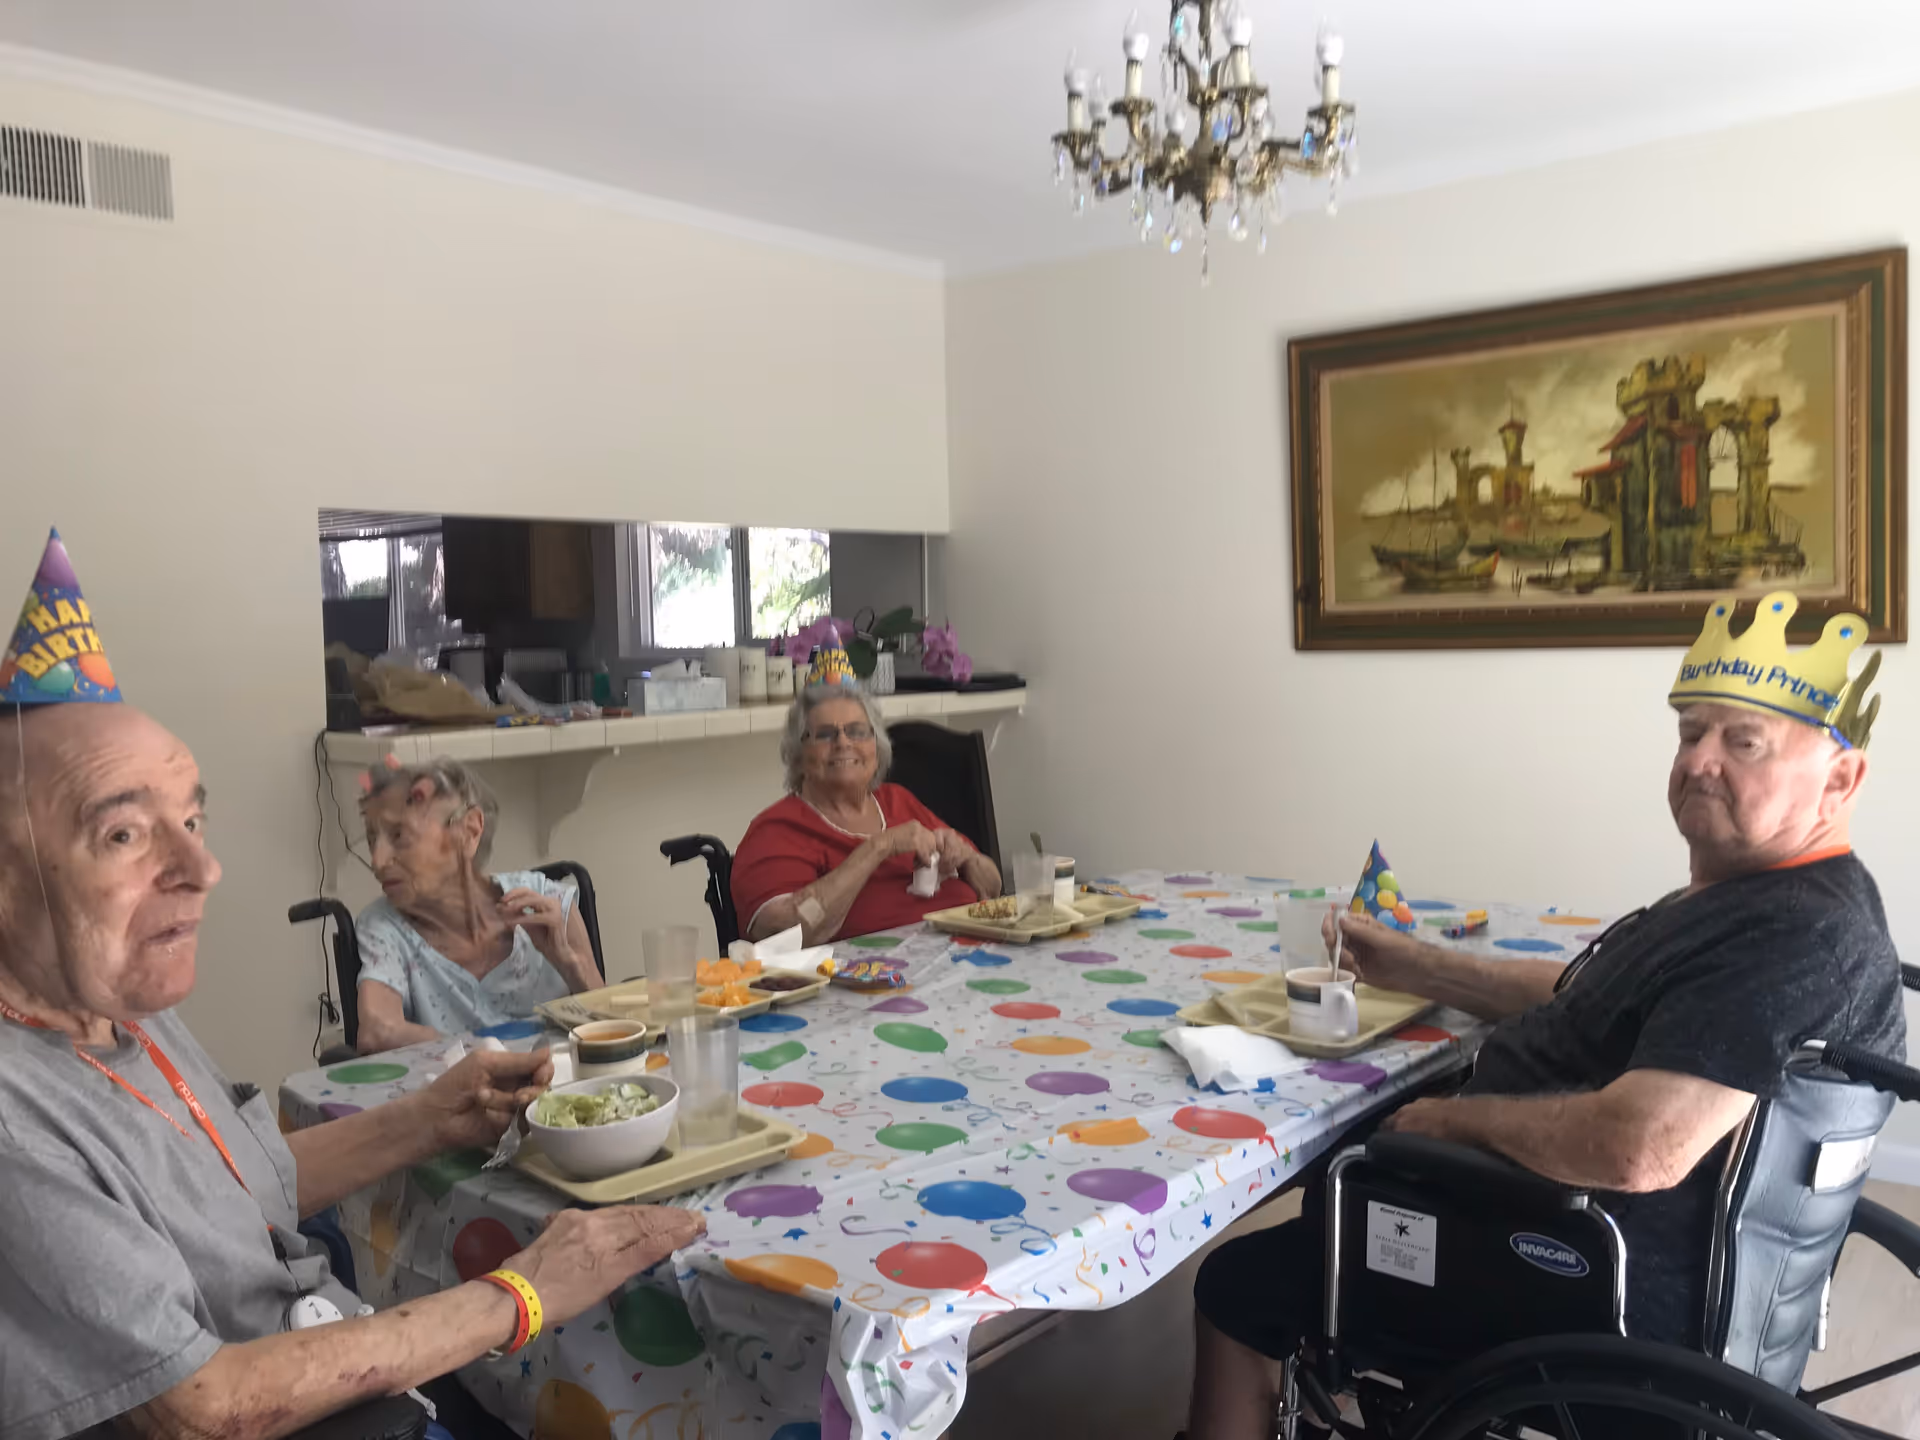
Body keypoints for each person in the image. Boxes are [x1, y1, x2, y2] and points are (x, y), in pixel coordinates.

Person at [0, 529, 704, 1440]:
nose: (203, 868)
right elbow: (203, 1405)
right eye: (126, 835)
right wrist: (522, 1293)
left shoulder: (119, 1011)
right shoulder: (18, 1120)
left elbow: (242, 1186)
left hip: (350, 1365)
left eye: (192, 820)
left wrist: (432, 1118)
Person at [1187, 591, 1906, 1440]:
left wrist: (1455, 1125)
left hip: (1577, 1280)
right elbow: (1588, 1000)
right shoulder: (1765, 900)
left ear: (1841, 777)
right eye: (1689, 733)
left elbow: (1639, 1147)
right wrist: (1415, 963)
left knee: (1240, 1277)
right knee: (1349, 1156)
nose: (1698, 762)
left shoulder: (1791, 935)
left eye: (1742, 742)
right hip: (1588, 1246)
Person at [732, 647, 1002, 943]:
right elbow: (786, 932)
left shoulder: (898, 801)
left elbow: (993, 887)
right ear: (798, 753)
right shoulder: (777, 831)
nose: (843, 742)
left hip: (970, 965)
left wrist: (967, 858)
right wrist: (879, 847)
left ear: (877, 746)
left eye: (858, 731)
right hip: (869, 983)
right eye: (824, 734)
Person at [353, 756, 601, 1052]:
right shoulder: (385, 927)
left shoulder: (548, 903)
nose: (377, 862)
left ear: (469, 831)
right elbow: (377, 1032)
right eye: (371, 840)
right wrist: (488, 1056)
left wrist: (571, 966)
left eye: (400, 836)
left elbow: (613, 1028)